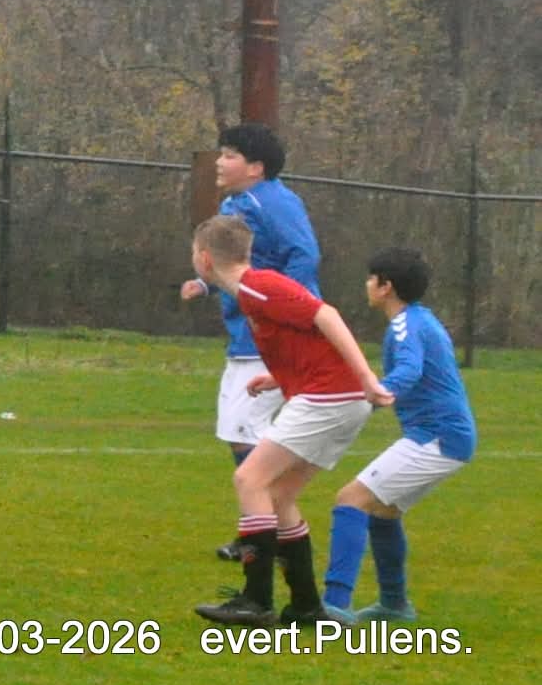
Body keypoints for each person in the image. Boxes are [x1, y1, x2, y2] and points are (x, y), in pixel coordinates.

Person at [188, 216, 392, 627]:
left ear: (205, 259)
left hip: (329, 397)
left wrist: (367, 377)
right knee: (279, 495)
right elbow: (305, 343)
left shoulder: (257, 286)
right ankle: (306, 607)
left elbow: (326, 316)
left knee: (249, 480)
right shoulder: (250, 294)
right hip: (339, 398)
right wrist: (279, 379)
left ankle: (255, 600)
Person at [177, 123, 321, 560]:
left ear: (256, 167)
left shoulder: (273, 201)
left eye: (230, 155)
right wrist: (207, 285)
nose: (220, 163)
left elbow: (304, 255)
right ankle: (265, 529)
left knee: (245, 434)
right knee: (241, 433)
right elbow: (238, 264)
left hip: (268, 340)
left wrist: (279, 309)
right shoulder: (235, 204)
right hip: (246, 338)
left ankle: (264, 534)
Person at [321, 248, 476, 624]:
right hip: (446, 436)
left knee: (351, 499)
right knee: (383, 510)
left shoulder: (406, 324)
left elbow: (409, 369)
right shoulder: (419, 320)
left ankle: (334, 604)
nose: (367, 284)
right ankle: (393, 604)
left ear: (385, 286)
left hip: (438, 436)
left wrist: (377, 396)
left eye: (371, 278)